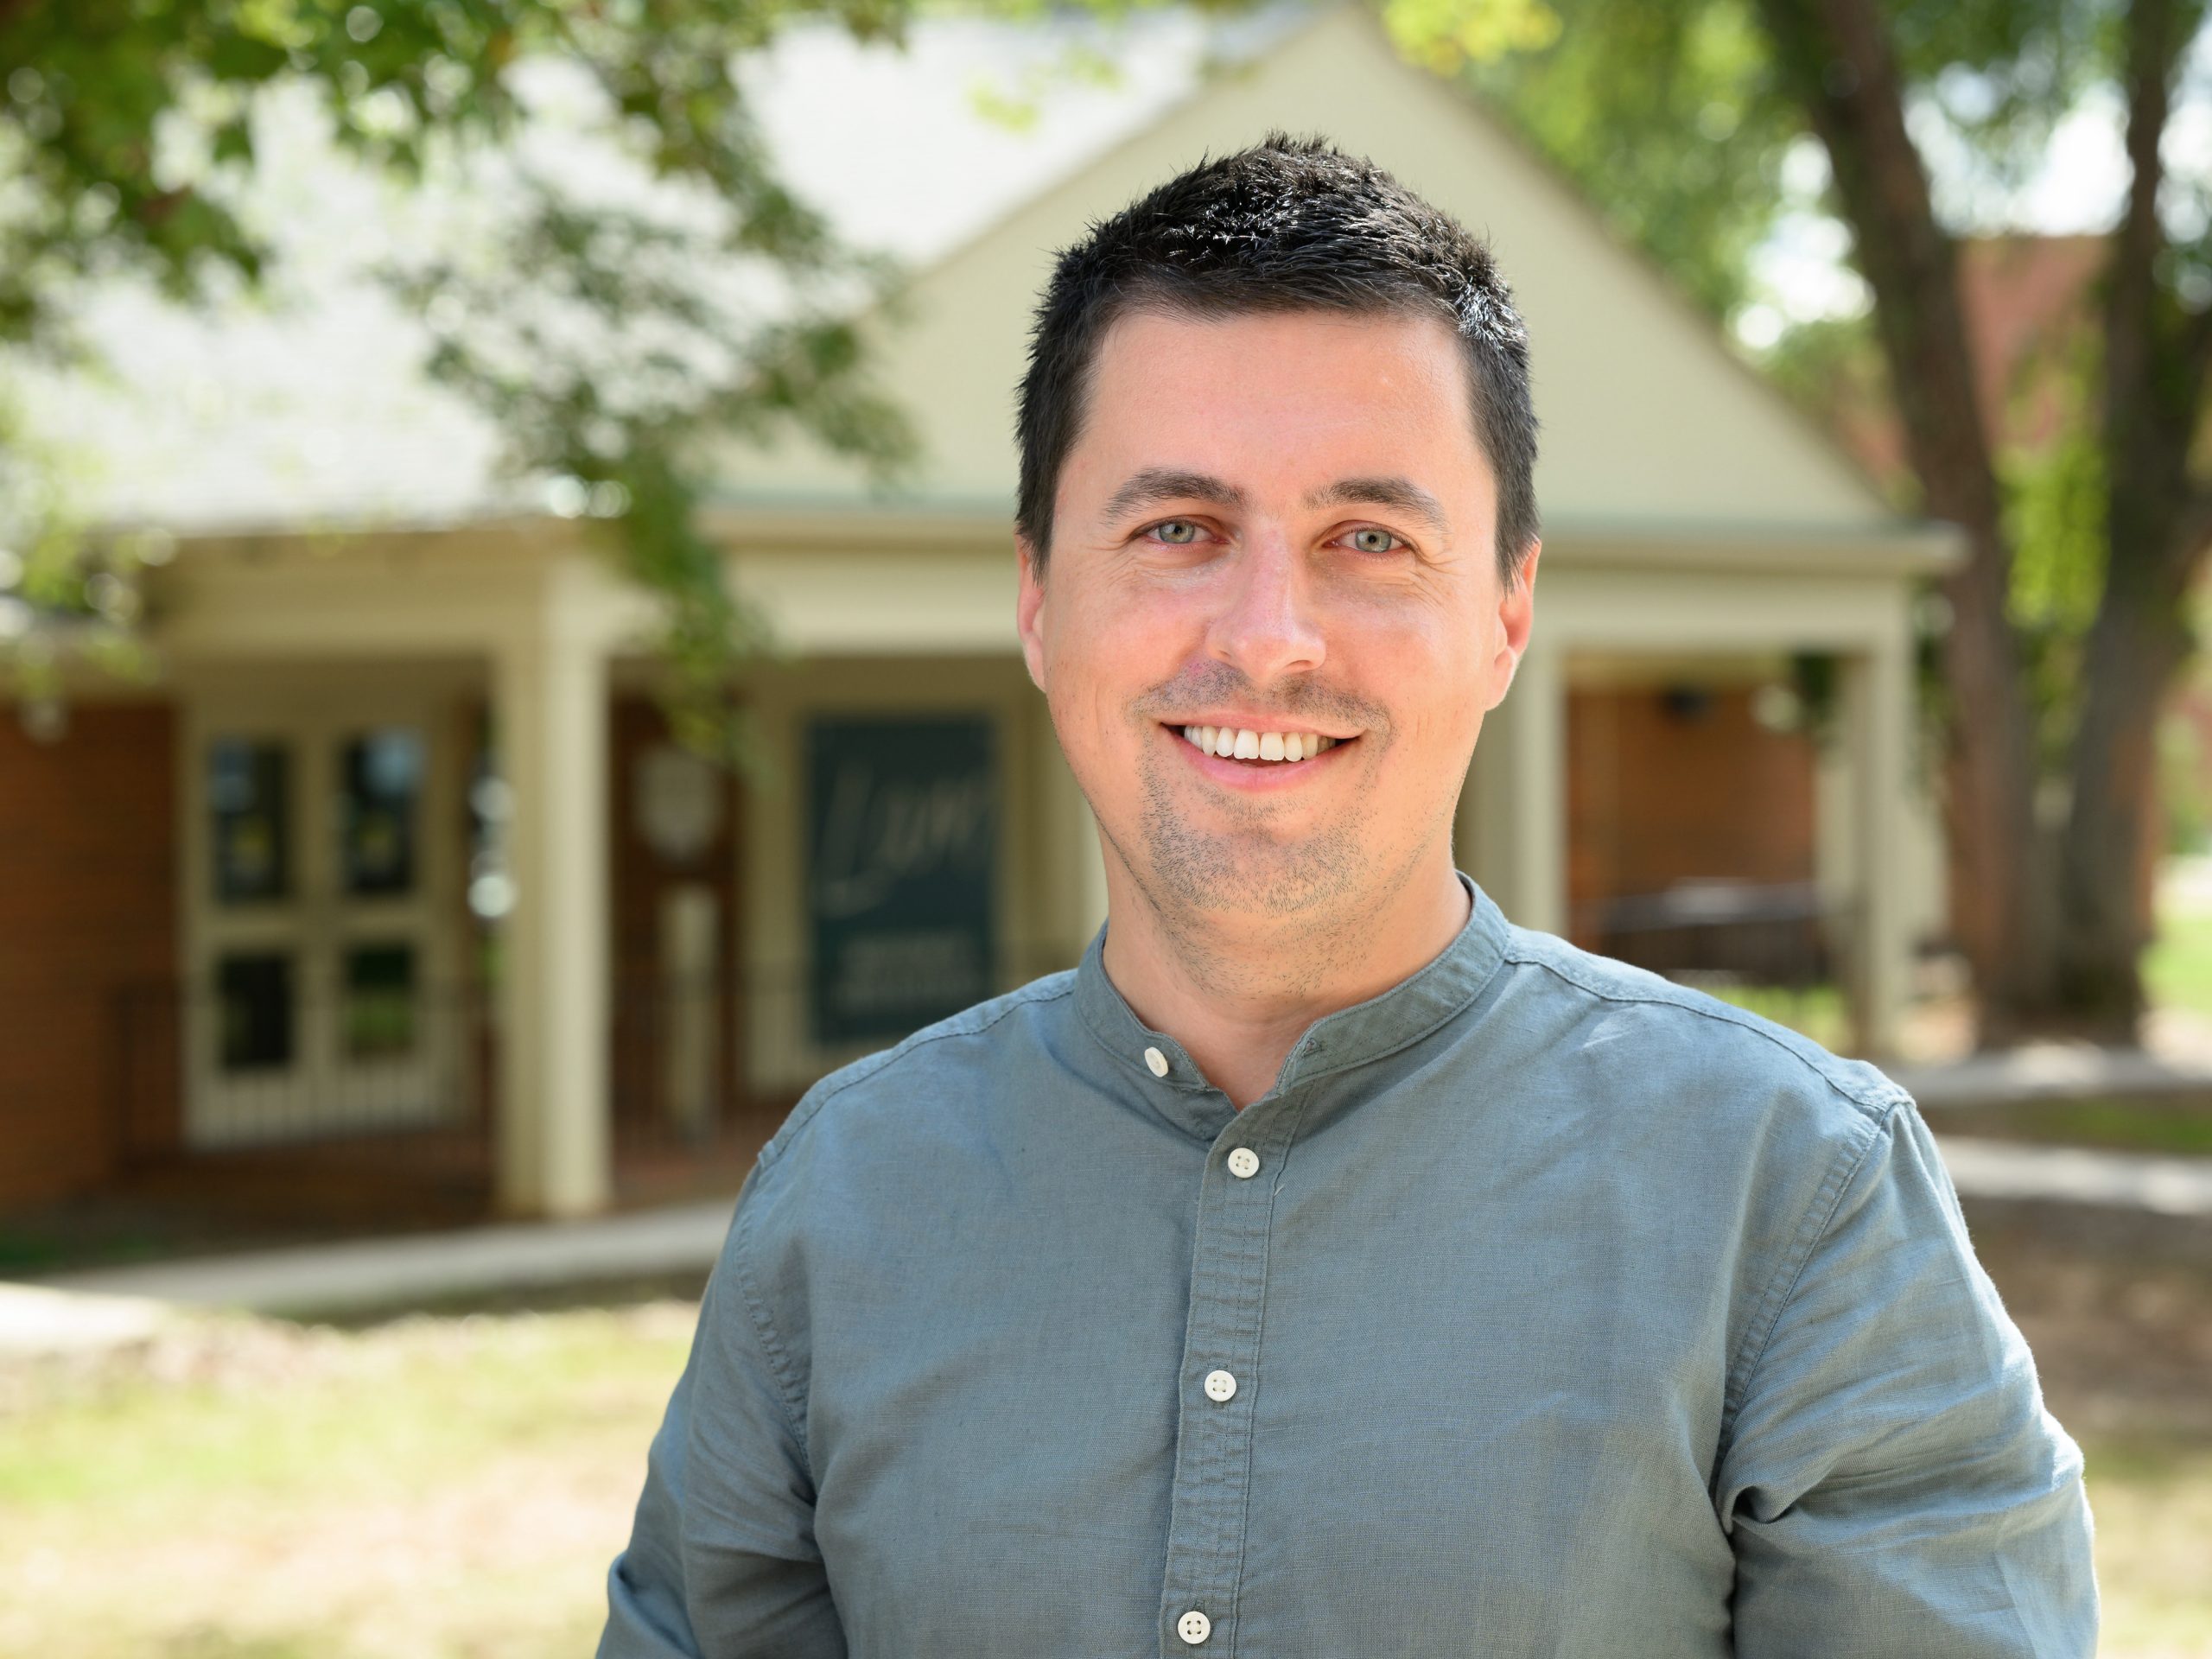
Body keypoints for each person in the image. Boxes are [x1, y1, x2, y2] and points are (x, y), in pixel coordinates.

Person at [598, 133, 2095, 1656]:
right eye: (1178, 528)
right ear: (1041, 598)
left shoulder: (1794, 1199)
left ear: (1507, 613)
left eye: (1366, 539)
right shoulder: (843, 1203)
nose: (1269, 639)